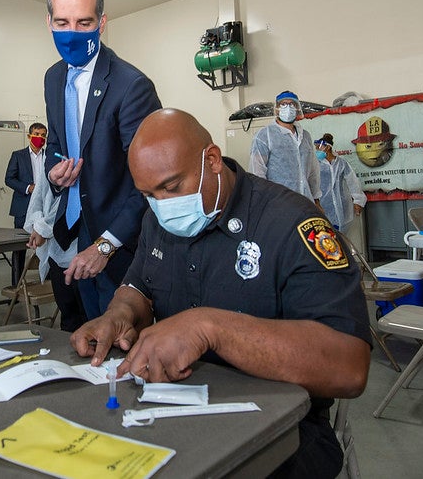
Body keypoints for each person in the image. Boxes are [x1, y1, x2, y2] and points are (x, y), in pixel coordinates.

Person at [71, 108, 371, 478]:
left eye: (171, 187)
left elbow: (350, 367)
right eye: (149, 194)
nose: (163, 205)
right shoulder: (157, 220)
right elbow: (139, 287)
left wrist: (210, 328)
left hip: (280, 432)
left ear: (211, 159)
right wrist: (119, 314)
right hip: (173, 408)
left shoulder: (291, 224)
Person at [43, 0, 162, 320]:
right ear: (48, 21)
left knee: (117, 345)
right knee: (77, 338)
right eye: (62, 22)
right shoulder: (53, 77)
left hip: (118, 248)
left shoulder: (131, 86)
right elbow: (55, 142)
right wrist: (54, 173)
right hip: (69, 240)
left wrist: (106, 245)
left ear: (102, 23)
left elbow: (152, 183)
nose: (72, 33)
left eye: (84, 22)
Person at [23, 156, 86, 332]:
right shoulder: (51, 163)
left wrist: (43, 228)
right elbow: (38, 198)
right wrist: (38, 224)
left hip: (81, 249)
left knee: (87, 316)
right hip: (56, 252)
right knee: (68, 315)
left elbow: (68, 203)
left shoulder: (81, 161)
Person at [250, 90, 321, 206]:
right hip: (278, 203)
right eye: (283, 104)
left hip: (306, 202)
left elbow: (313, 171)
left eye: (292, 104)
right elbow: (257, 173)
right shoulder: (264, 135)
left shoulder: (305, 136)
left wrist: (316, 199)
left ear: (297, 109)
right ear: (276, 109)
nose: (288, 108)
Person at [5, 122, 48, 285]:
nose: (40, 138)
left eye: (43, 135)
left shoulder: (49, 156)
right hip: (23, 208)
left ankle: (48, 282)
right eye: (37, 134)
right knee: (20, 248)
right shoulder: (18, 155)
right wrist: (28, 187)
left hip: (44, 209)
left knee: (47, 246)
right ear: (29, 135)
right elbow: (9, 179)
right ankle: (16, 283)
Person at [314, 133, 367, 232]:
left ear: (328, 148)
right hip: (322, 206)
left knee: (340, 237)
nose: (317, 150)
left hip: (342, 206)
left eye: (319, 147)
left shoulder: (341, 164)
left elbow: (353, 181)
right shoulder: (315, 164)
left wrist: (358, 201)